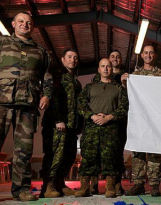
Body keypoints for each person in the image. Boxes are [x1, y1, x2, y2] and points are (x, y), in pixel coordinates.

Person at [0, 11, 53, 203]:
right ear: (13, 24)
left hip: (27, 106)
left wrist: (46, 94)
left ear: (33, 26)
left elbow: (47, 76)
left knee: (24, 151)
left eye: (29, 22)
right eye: (21, 21)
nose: (25, 25)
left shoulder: (40, 51)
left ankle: (21, 190)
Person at [74, 58, 128, 198]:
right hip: (92, 127)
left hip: (111, 128)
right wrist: (92, 116)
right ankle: (84, 187)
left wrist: (109, 117)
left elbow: (124, 108)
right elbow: (80, 104)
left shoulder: (119, 88)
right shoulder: (90, 87)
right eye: (103, 66)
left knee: (110, 157)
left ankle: (110, 188)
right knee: (88, 158)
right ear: (98, 69)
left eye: (108, 66)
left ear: (112, 69)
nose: (105, 69)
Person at [40, 48, 83, 198]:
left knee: (69, 156)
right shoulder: (56, 76)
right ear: (63, 60)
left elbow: (78, 105)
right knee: (54, 156)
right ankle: (48, 186)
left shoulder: (76, 83)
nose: (73, 60)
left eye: (75, 57)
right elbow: (52, 99)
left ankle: (60, 183)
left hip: (71, 127)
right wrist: (58, 120)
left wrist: (79, 125)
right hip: (56, 125)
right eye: (69, 57)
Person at [125, 44, 161, 197]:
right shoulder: (135, 75)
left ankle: (155, 185)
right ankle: (138, 184)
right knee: (138, 153)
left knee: (154, 152)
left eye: (151, 53)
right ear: (141, 55)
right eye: (146, 53)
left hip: (155, 119)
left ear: (155, 55)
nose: (148, 55)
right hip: (139, 120)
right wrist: (126, 83)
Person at [90, 50, 126, 196]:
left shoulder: (125, 77)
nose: (115, 59)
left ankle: (116, 184)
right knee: (95, 154)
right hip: (98, 122)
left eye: (118, 56)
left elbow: (126, 101)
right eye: (112, 57)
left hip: (117, 122)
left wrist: (125, 84)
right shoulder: (97, 79)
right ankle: (93, 184)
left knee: (116, 154)